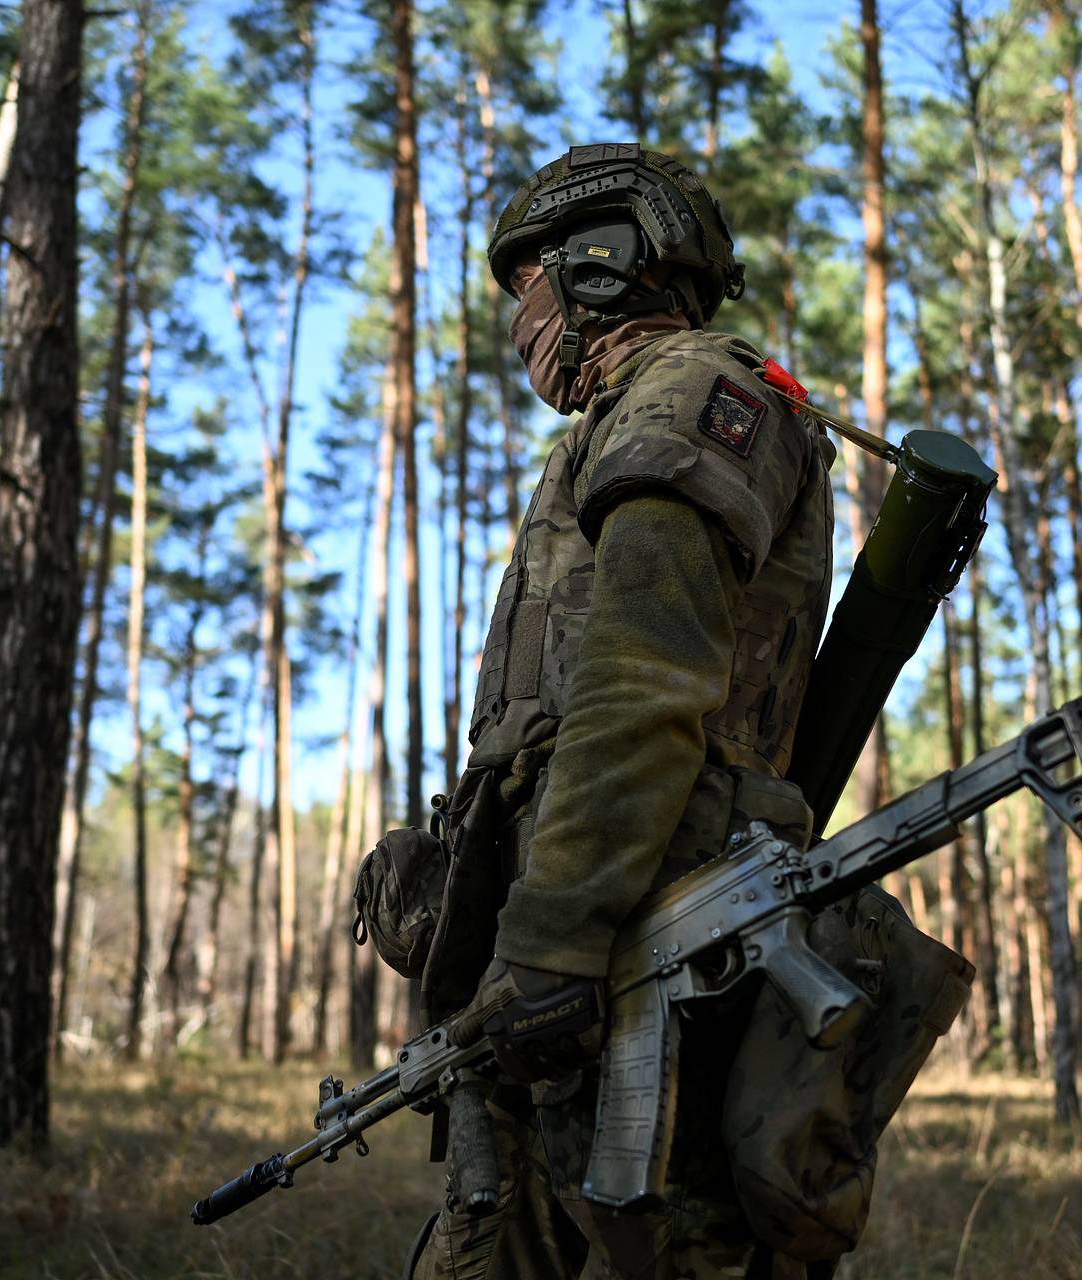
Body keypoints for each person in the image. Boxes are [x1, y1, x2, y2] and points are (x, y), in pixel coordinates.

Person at [400, 142, 965, 1280]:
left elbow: (643, 678)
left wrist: (551, 935)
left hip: (638, 941)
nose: (522, 325)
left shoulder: (690, 392)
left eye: (531, 289)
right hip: (586, 936)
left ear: (603, 263)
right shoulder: (617, 424)